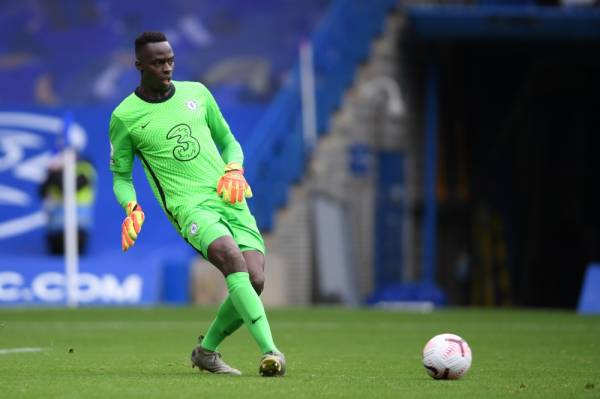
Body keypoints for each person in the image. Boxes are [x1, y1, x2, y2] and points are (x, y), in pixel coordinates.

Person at [108, 31, 285, 377]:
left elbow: (229, 141)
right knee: (232, 260)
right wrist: (131, 206)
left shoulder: (198, 94)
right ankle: (271, 351)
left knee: (256, 279)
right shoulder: (125, 117)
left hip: (229, 197)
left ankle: (206, 351)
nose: (167, 67)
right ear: (139, 65)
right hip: (189, 207)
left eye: (170, 60)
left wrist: (234, 168)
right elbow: (121, 177)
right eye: (158, 62)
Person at [39, 149, 96, 255]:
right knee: (55, 255)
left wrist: (55, 172)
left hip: (78, 228)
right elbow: (41, 192)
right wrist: (50, 173)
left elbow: (70, 187)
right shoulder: (52, 172)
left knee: (75, 254)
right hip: (55, 228)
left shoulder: (85, 168)